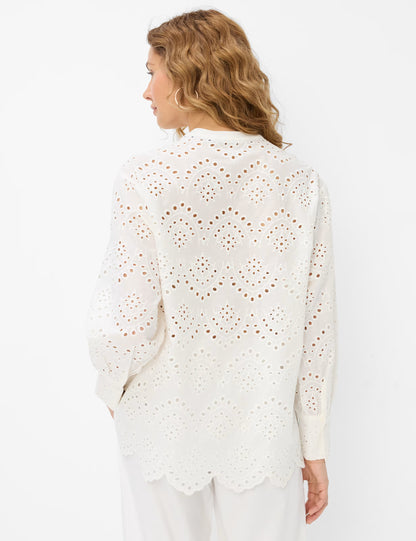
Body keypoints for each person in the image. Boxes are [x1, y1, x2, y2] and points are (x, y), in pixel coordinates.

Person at [85, 8, 338, 541]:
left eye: (153, 72)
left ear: (188, 75)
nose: (146, 92)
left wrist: (113, 385)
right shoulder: (301, 183)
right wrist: (313, 445)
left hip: (162, 424)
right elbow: (316, 332)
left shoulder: (147, 176)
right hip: (264, 432)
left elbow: (126, 319)